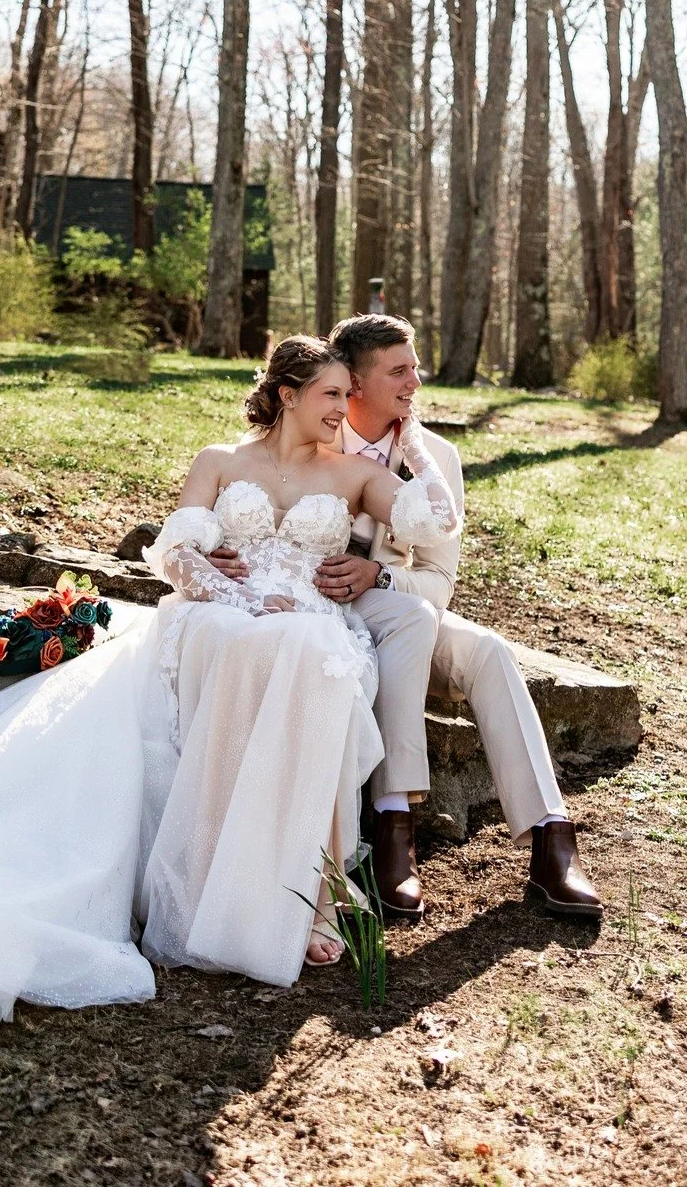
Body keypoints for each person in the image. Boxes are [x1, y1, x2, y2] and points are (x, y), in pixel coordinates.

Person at [0, 337, 460, 1056]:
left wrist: (412, 435)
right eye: (332, 393)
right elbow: (174, 550)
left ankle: (304, 902)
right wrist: (224, 593)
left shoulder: (356, 475)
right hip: (220, 616)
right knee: (247, 644)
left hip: (305, 625)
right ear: (288, 394)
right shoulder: (221, 460)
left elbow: (435, 522)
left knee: (302, 653)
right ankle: (209, 896)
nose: (345, 407)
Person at [208, 314, 601, 921]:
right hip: (305, 605)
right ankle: (395, 830)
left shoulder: (435, 456)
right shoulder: (314, 428)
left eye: (414, 367)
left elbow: (439, 580)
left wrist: (378, 575)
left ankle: (552, 840)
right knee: (410, 622)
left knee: (488, 651)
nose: (415, 382)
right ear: (352, 383)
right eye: (399, 370)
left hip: (398, 604)